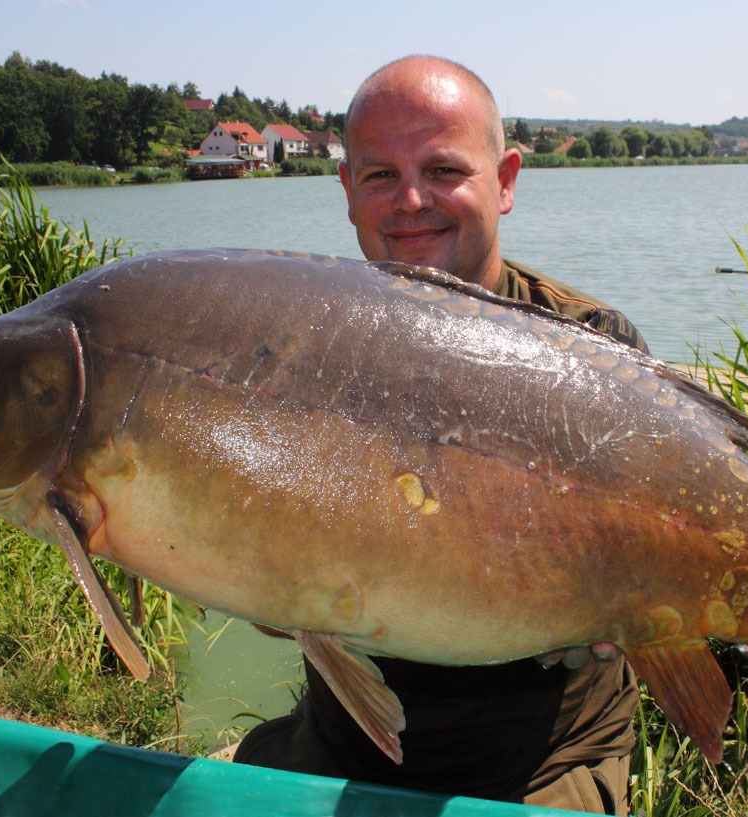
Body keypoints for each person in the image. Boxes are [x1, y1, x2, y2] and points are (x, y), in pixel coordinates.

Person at [233, 55, 649, 815]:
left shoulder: (593, 352)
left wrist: (634, 610)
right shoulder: (297, 340)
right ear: (347, 191)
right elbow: (264, 572)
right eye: (380, 175)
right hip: (342, 740)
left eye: (444, 169)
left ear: (507, 179)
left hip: (535, 762)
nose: (412, 201)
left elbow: (652, 566)